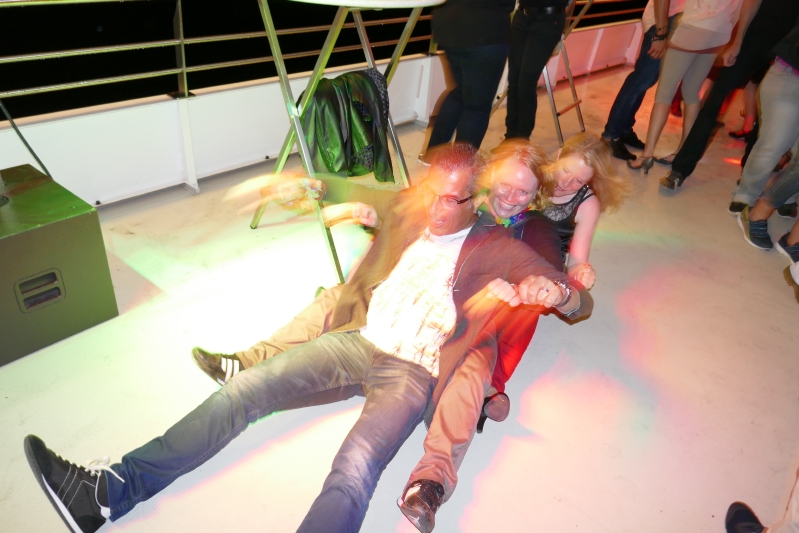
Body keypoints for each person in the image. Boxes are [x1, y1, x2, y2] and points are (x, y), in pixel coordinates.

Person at [24, 143, 588, 533]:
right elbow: (347, 188)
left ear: (474, 198)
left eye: (450, 199)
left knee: (354, 469)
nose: (436, 208)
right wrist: (303, 184)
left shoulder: (497, 246)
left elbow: (577, 299)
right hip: (358, 341)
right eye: (431, 193)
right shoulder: (416, 208)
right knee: (243, 391)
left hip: (412, 370)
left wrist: (557, 293)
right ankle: (106, 493)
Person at [660, 0, 799, 192]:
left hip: (788, 53)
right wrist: (738, 41)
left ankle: (748, 177)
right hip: (756, 38)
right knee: (714, 103)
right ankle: (680, 169)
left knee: (765, 116)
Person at [628, 0, 744, 174]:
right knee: (692, 93)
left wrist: (661, 33)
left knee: (664, 94)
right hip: (720, 32)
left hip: (693, 26)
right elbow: (740, 12)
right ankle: (681, 153)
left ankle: (647, 155)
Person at [423, 0, 514, 151]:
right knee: (477, 107)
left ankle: (432, 155)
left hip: (448, 23)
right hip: (485, 27)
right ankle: (459, 164)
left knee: (459, 93)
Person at [602, 0, 686, 161]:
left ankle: (624, 129)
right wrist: (660, 34)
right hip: (663, 21)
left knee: (646, 80)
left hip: (670, 20)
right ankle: (611, 134)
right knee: (641, 80)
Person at [504, 0, 570, 140]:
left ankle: (521, 140)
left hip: (548, 20)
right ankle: (509, 137)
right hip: (522, 16)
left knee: (526, 83)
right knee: (514, 81)